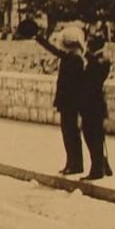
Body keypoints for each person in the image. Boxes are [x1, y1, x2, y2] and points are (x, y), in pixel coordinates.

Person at [33, 24, 86, 175]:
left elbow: (74, 83)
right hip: (68, 102)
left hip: (70, 102)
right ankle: (71, 163)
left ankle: (75, 164)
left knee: (71, 133)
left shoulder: (74, 58)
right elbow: (55, 50)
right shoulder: (73, 57)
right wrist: (38, 38)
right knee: (68, 132)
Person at [80, 34, 113, 180]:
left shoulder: (101, 60)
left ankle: (97, 168)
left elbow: (95, 68)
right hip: (92, 102)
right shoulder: (98, 59)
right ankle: (101, 165)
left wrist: (86, 54)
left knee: (92, 135)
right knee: (95, 135)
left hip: (94, 103)